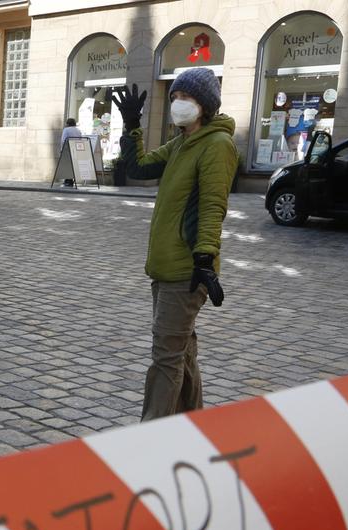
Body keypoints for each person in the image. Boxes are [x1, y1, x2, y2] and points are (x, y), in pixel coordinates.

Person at [112, 67, 235, 421]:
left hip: (186, 269)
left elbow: (214, 205)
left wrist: (204, 258)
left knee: (166, 357)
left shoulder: (217, 144)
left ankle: (153, 433)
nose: (179, 104)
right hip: (166, 267)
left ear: (205, 105)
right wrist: (131, 124)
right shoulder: (182, 142)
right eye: (175, 98)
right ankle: (193, 422)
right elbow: (138, 167)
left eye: (187, 98)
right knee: (181, 354)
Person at [60, 117, 84, 186]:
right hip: (75, 150)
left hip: (67, 150)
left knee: (67, 165)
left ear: (68, 124)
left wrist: (62, 149)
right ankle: (71, 180)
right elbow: (80, 140)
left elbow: (63, 140)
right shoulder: (78, 130)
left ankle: (68, 180)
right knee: (73, 165)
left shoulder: (66, 130)